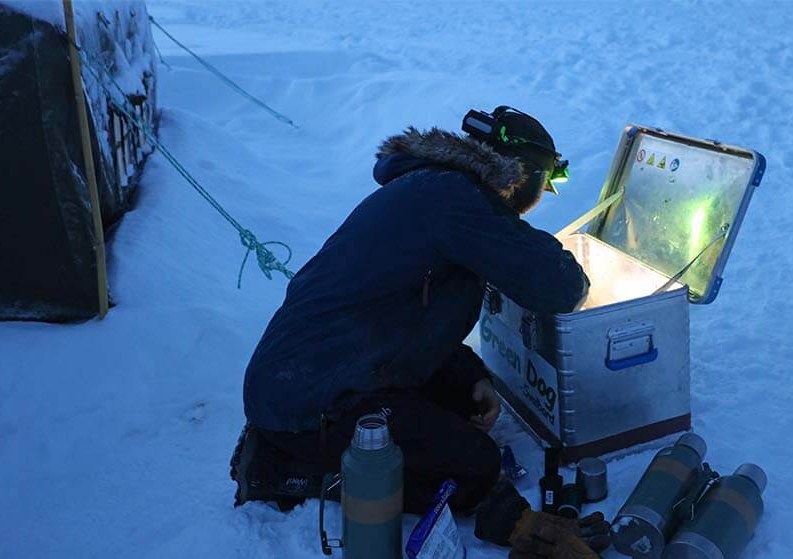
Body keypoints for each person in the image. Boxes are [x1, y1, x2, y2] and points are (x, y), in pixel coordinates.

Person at [230, 106, 590, 515]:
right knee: (475, 470)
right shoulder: (457, 202)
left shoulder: (432, 189)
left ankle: (303, 441)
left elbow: (407, 317)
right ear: (525, 176)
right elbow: (557, 284)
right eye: (545, 183)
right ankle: (285, 470)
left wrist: (472, 375)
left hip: (319, 369)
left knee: (464, 402)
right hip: (312, 397)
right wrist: (575, 276)